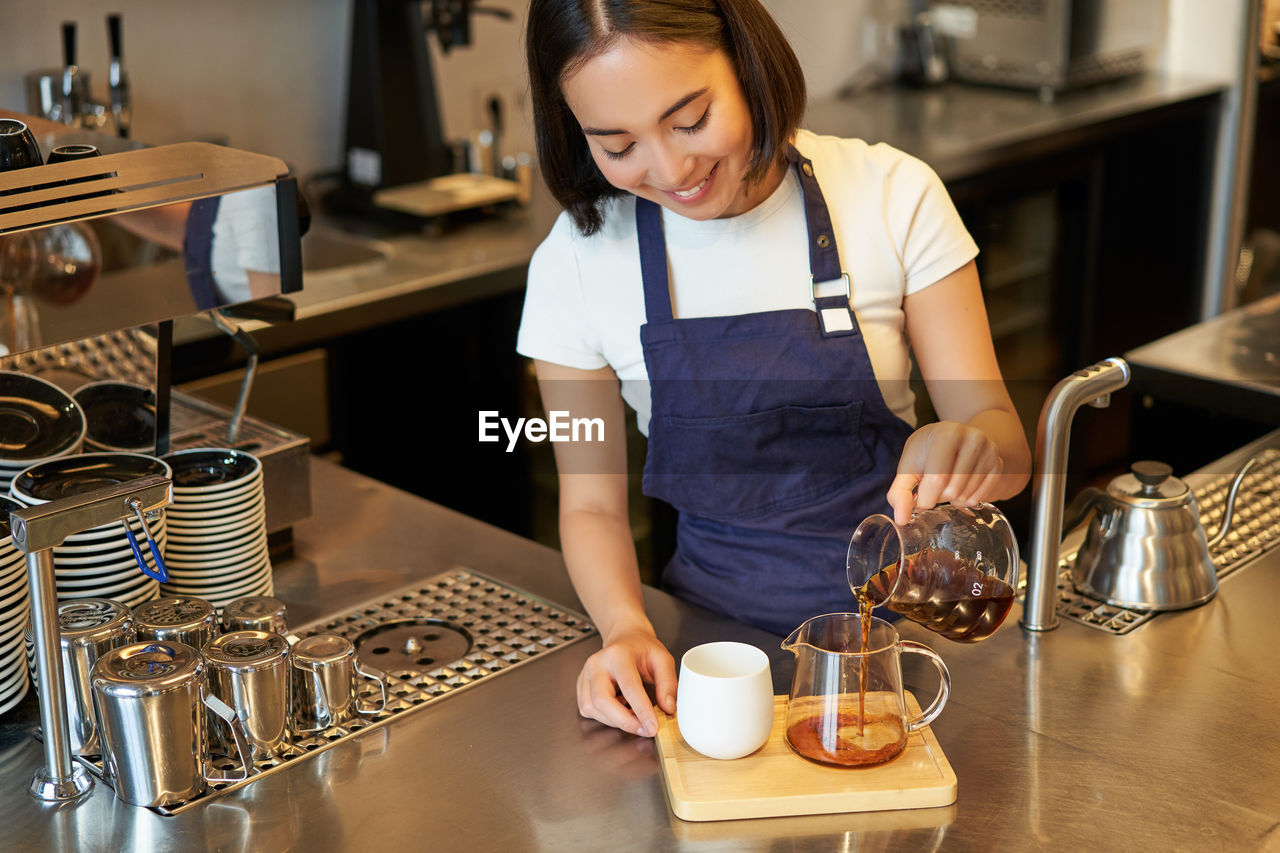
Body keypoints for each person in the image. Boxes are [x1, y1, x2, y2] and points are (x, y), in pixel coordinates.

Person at [517, 0, 1032, 739]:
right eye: (617, 143)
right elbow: (592, 505)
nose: (670, 169)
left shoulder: (892, 196)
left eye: (690, 119)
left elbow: (1008, 451)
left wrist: (972, 444)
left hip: (919, 647)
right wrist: (624, 629)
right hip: (718, 661)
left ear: (746, 56)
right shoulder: (576, 262)